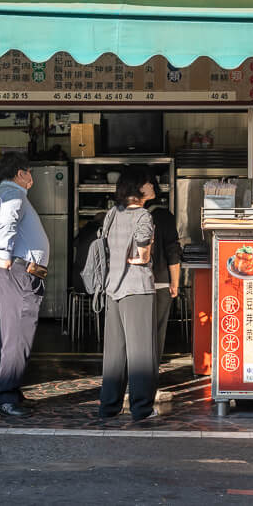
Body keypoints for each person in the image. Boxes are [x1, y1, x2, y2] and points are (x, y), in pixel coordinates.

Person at [0, 151, 49, 417]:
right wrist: (6, 256)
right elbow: (6, 223)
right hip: (16, 271)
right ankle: (6, 398)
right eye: (29, 172)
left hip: (14, 271)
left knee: (10, 333)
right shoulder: (13, 194)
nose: (31, 177)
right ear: (20, 173)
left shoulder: (4, 192)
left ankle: (11, 390)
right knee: (16, 333)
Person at [99, 167, 158, 422]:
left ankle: (109, 406)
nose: (154, 186)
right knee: (141, 353)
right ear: (139, 188)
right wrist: (141, 255)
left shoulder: (112, 214)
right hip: (137, 288)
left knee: (114, 353)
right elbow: (143, 255)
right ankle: (142, 408)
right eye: (149, 183)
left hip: (113, 288)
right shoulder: (144, 215)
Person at [142, 169, 181, 363]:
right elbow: (173, 250)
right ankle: (151, 376)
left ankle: (136, 378)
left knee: (138, 334)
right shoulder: (165, 216)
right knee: (157, 332)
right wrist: (175, 282)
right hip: (161, 281)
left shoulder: (129, 214)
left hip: (135, 284)